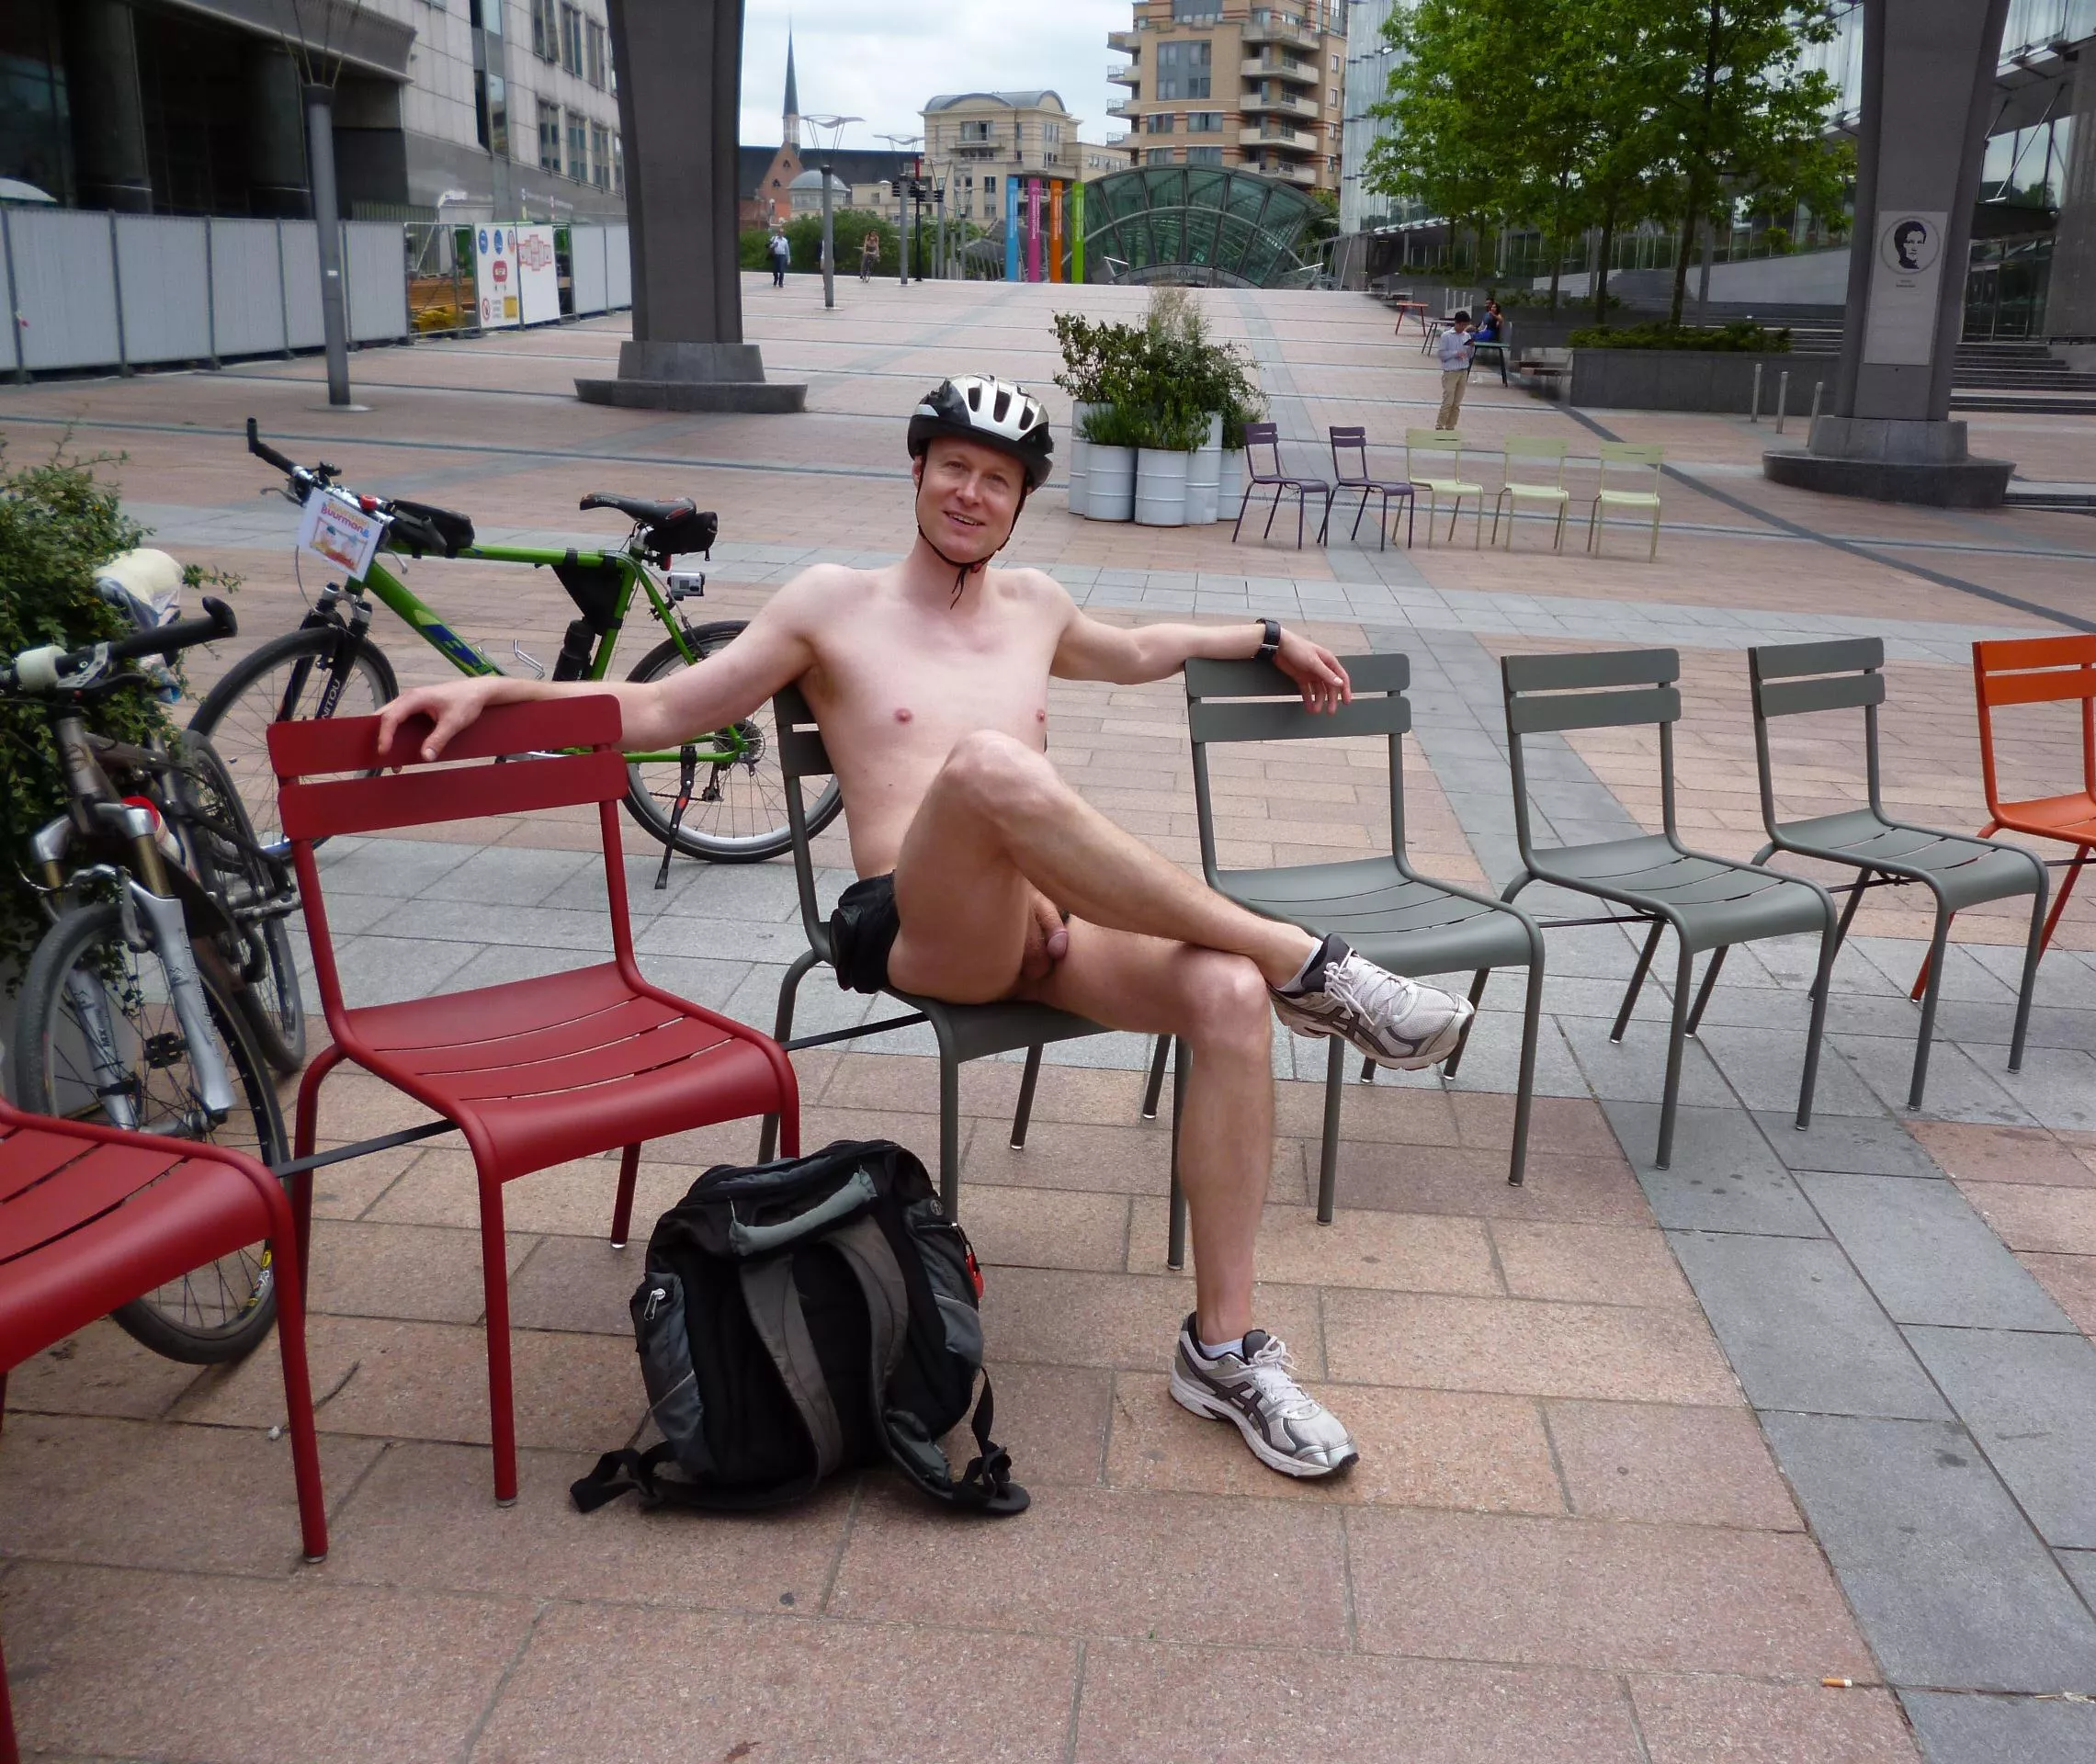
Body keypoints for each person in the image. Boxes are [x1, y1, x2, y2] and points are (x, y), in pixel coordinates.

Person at [375, 374, 1479, 1483]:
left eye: (996, 480)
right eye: (953, 465)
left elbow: (1143, 647)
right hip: (910, 924)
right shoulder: (829, 602)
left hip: (1042, 927)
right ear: (916, 471)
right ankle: (1311, 963)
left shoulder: (1038, 606)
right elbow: (670, 708)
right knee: (994, 764)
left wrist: (1270, 630)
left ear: (1017, 503)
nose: (970, 492)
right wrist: (506, 696)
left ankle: (1225, 1352)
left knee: (1224, 997)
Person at [1434, 309, 1474, 430]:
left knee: (1457, 403)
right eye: (1462, 325)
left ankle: (1451, 426)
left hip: (1463, 371)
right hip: (1451, 371)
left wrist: (1471, 348)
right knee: (1448, 401)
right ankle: (1440, 424)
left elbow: (1470, 355)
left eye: (1465, 325)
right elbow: (1441, 354)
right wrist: (1456, 353)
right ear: (1456, 323)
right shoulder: (1446, 336)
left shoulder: (1466, 336)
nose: (1463, 327)